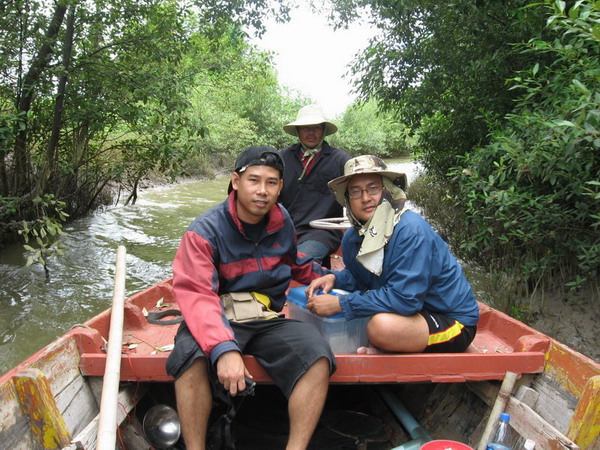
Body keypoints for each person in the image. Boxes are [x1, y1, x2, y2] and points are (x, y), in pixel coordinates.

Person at [167, 146, 336, 450]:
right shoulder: (204, 232)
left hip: (264, 317)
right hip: (216, 317)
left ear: (280, 187)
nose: (262, 191)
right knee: (189, 357)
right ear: (235, 181)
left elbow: (292, 260)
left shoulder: (281, 220)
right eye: (253, 180)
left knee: (316, 354)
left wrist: (322, 274)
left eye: (271, 183)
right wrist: (224, 349)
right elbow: (197, 296)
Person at [306, 155, 479, 354]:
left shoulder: (410, 230)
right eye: (355, 192)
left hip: (450, 320)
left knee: (381, 327)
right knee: (366, 315)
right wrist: (333, 279)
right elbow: (360, 277)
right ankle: (393, 346)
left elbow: (405, 300)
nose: (365, 198)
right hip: (413, 311)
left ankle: (393, 347)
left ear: (388, 191)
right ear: (347, 200)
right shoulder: (353, 236)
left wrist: (341, 304)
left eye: (373, 189)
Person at [279, 104, 351, 264]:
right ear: (298, 131)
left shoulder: (340, 159)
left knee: (299, 262)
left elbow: (356, 194)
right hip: (286, 230)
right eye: (305, 128)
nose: (311, 133)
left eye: (316, 128)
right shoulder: (283, 157)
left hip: (323, 231)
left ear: (324, 131)